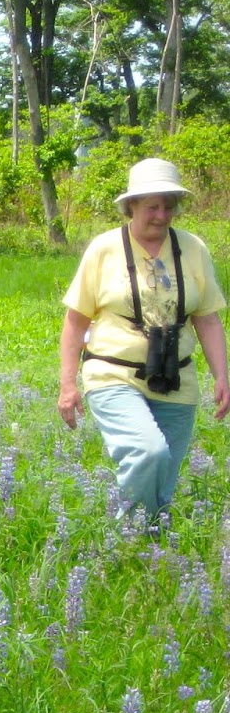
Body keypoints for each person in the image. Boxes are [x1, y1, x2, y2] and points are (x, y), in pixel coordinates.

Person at [59, 157, 230, 526]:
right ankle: (127, 534)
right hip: (112, 374)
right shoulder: (105, 249)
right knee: (148, 453)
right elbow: (75, 321)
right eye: (152, 205)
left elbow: (208, 317)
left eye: (169, 205)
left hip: (176, 378)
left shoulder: (193, 248)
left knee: (163, 480)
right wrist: (67, 384)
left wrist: (222, 377)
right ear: (131, 205)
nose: (162, 214)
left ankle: (145, 555)